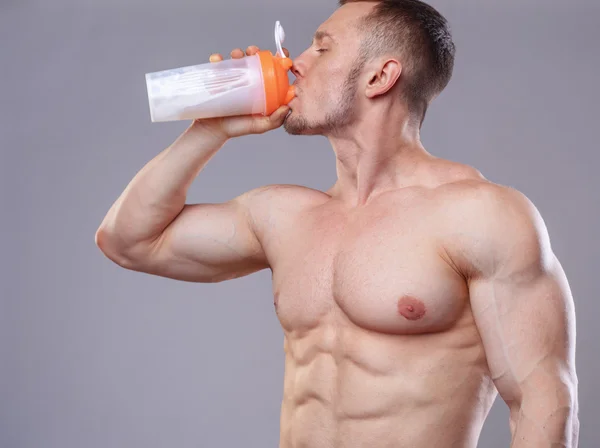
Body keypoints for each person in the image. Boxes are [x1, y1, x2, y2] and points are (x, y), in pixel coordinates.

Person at [95, 0, 579, 446]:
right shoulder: (284, 216)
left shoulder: (481, 215)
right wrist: (211, 129)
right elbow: (129, 241)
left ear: (380, 77)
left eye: (322, 48)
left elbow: (544, 399)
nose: (296, 62)